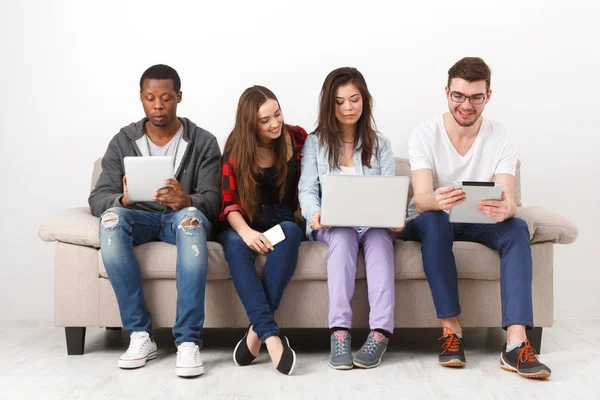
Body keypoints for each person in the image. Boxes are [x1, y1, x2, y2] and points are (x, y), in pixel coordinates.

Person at [404, 57, 551, 379]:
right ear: (447, 92)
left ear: (488, 96)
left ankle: (515, 344)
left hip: (479, 219)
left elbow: (510, 199)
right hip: (433, 218)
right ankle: (451, 331)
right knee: (435, 219)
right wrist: (439, 200)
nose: (466, 105)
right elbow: (421, 198)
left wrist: (507, 209)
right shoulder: (424, 134)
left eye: (475, 97)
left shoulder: (502, 137)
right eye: (458, 96)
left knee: (517, 228)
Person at [89, 64, 221, 377]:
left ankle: (188, 341)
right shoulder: (123, 141)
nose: (158, 105)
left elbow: (215, 201)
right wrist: (122, 201)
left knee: (190, 220)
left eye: (165, 97)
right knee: (110, 220)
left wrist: (188, 201)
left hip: (181, 219)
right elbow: (97, 199)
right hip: (140, 217)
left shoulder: (203, 142)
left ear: (179, 97)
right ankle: (140, 335)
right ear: (141, 98)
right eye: (150, 98)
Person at [299, 67, 400, 370]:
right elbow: (307, 188)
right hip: (332, 225)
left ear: (364, 100)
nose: (347, 108)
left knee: (380, 238)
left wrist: (394, 216)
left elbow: (389, 191)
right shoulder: (315, 143)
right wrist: (314, 213)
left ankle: (380, 333)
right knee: (342, 237)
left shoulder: (380, 144)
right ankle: (339, 333)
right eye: (340, 101)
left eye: (354, 99)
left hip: (373, 224)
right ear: (329, 105)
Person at [217, 86, 307, 375]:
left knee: (292, 233)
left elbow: (314, 179)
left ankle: (255, 333)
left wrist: (305, 208)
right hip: (244, 221)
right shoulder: (235, 149)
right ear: (249, 124)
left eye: (277, 114)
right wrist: (246, 233)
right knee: (234, 247)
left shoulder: (297, 138)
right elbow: (229, 203)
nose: (274, 123)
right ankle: (271, 338)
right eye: (265, 120)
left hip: (281, 221)